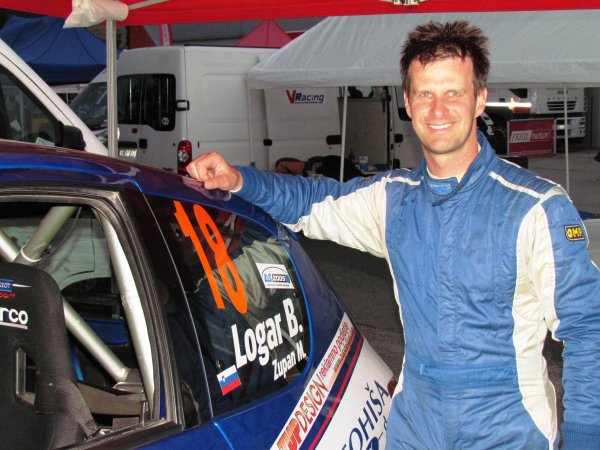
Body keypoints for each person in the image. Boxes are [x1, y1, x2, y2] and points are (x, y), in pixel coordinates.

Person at [186, 20, 600, 450]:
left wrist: (586, 439)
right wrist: (240, 180)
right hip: (415, 428)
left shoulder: (536, 207)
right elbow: (312, 201)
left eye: (453, 93)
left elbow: (589, 330)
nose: (438, 110)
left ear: (480, 99)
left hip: (509, 431)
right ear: (407, 102)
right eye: (425, 94)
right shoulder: (393, 199)